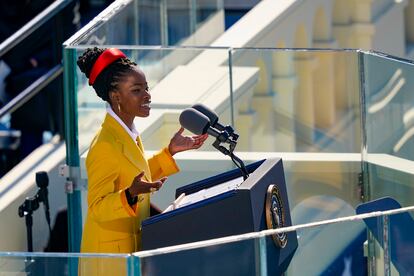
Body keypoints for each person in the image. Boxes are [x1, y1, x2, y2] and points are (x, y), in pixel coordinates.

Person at [76, 47, 208, 272]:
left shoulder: (127, 132)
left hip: (130, 250)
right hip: (110, 261)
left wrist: (170, 152)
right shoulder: (104, 145)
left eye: (146, 88)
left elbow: (136, 174)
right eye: (137, 90)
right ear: (116, 96)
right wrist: (130, 194)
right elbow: (97, 207)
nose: (147, 95)